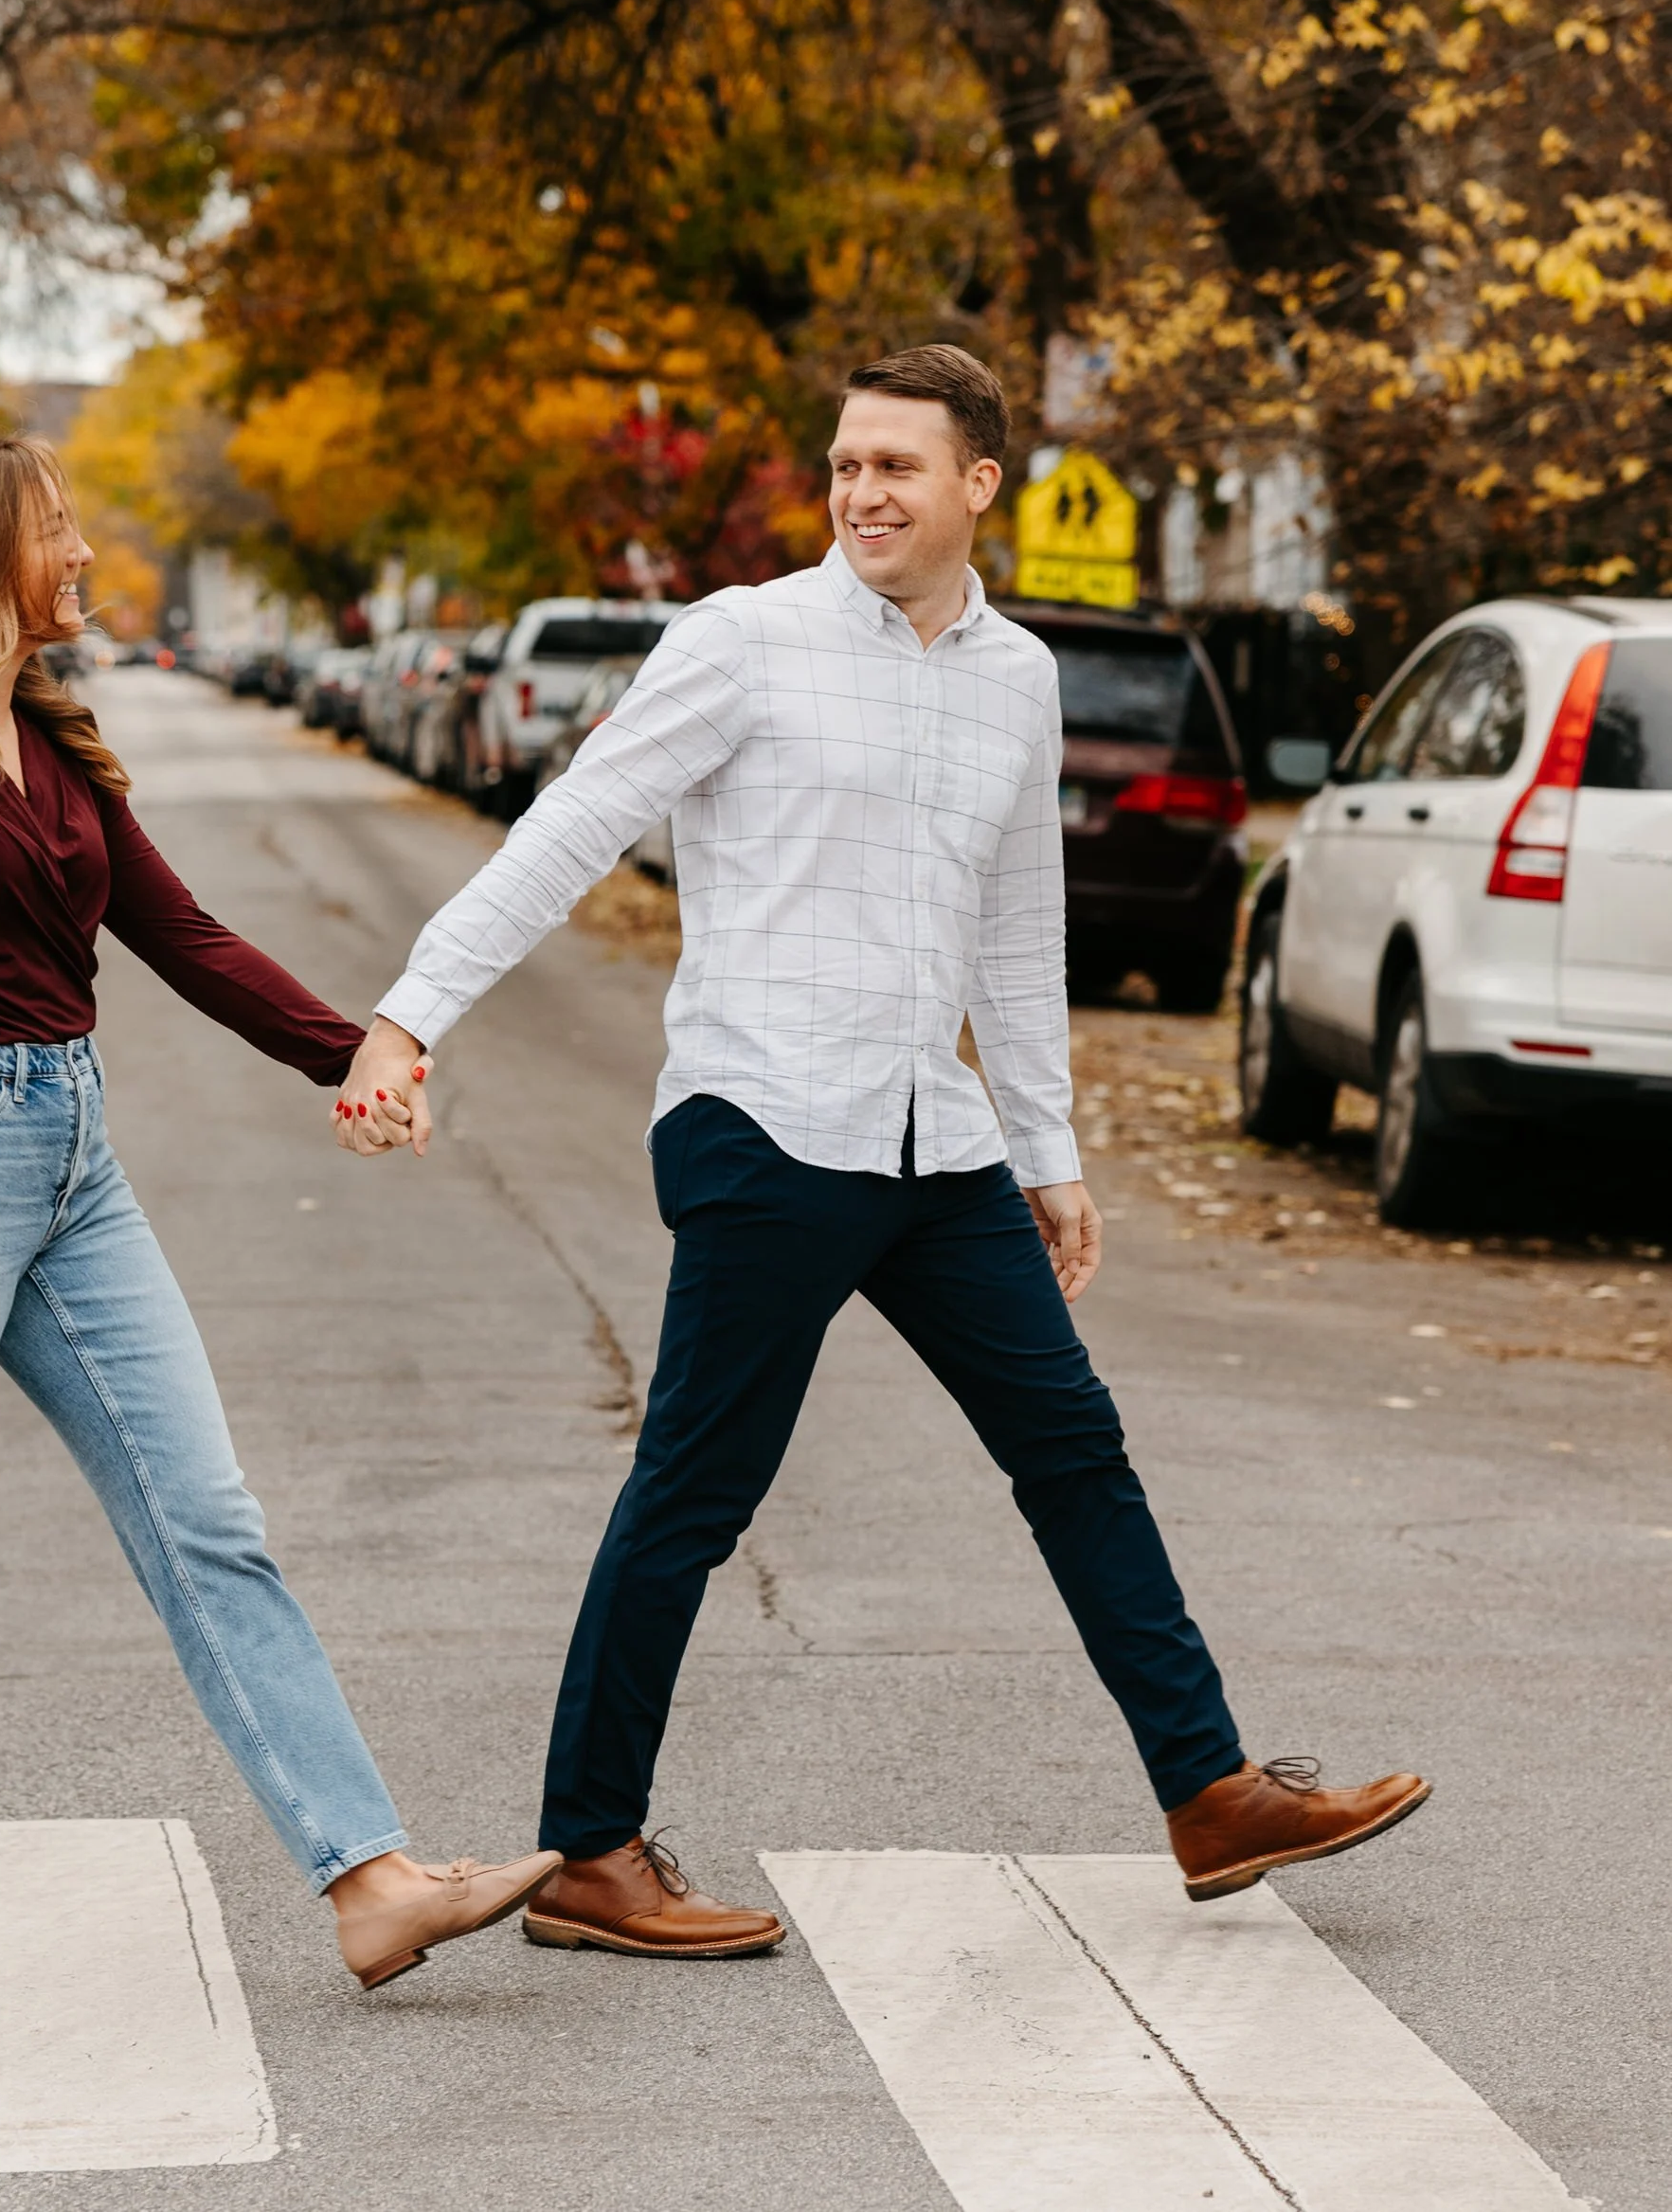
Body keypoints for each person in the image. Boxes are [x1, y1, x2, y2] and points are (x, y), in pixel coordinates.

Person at [333, 348, 1429, 1956]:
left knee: (1074, 1446)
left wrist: (1048, 1149)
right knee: (698, 1490)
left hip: (935, 1140)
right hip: (766, 1122)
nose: (861, 492)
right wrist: (408, 1015)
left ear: (980, 484)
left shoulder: (1019, 676)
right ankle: (587, 1852)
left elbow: (1016, 920)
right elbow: (571, 822)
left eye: (897, 467)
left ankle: (1206, 1790)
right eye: (846, 464)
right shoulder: (744, 641)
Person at [0, 432, 554, 2017]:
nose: (81, 551)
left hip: (74, 1163)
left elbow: (180, 934)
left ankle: (370, 1882)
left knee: (208, 1520)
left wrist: (352, 1048)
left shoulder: (51, 740)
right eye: (56, 529)